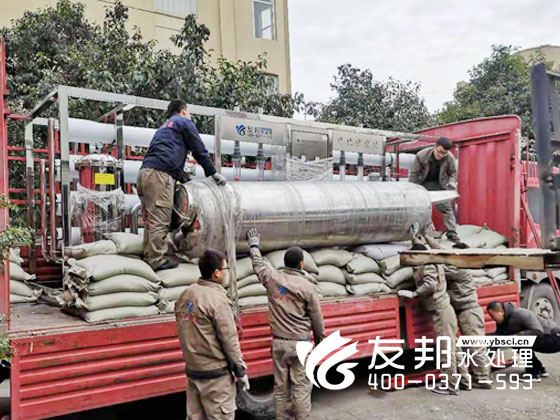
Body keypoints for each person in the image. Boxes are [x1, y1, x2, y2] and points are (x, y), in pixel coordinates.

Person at [138, 100, 227, 271]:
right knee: (160, 220)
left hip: (145, 173)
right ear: (184, 110)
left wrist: (184, 178)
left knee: (150, 219)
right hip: (159, 176)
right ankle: (156, 260)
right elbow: (198, 149)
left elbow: (168, 155)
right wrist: (212, 172)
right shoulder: (184, 122)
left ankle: (148, 255)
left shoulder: (164, 127)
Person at [246, 228, 324, 420]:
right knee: (301, 387)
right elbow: (316, 318)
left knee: (281, 389)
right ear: (302, 264)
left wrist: (254, 245)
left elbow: (258, 265)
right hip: (301, 345)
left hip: (279, 344)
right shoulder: (308, 287)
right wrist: (320, 340)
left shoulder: (273, 278)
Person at [175, 249, 249, 420]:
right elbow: (229, 339)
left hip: (193, 372)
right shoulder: (217, 300)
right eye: (226, 269)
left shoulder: (185, 295)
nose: (227, 272)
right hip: (216, 378)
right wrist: (240, 370)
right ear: (216, 273)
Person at [398, 243, 468, 395]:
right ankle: (464, 381)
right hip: (444, 309)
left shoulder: (428, 265)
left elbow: (430, 285)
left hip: (441, 310)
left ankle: (450, 386)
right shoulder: (433, 262)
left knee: (446, 349)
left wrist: (415, 294)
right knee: (454, 347)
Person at [423, 236, 492, 389]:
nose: (451, 256)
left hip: (469, 312)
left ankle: (483, 379)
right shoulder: (459, 265)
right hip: (465, 311)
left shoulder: (458, 269)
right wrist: (426, 237)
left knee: (475, 346)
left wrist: (423, 257)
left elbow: (440, 267)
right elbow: (443, 252)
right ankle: (478, 377)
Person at [487, 301, 560, 380]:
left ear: (501, 311)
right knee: (515, 342)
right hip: (543, 338)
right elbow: (498, 340)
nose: (492, 318)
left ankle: (533, 373)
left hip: (554, 338)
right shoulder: (501, 322)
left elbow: (538, 331)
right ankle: (539, 369)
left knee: (519, 342)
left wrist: (516, 336)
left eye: (492, 315)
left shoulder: (521, 314)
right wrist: (487, 358)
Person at [409, 136, 459, 242]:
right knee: (419, 209)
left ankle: (452, 233)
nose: (441, 155)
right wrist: (411, 189)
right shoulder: (421, 155)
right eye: (439, 152)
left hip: (439, 185)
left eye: (444, 153)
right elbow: (414, 173)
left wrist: (451, 182)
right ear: (434, 147)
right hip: (422, 185)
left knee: (446, 208)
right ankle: (416, 233)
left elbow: (453, 173)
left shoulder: (449, 157)